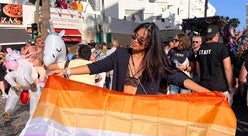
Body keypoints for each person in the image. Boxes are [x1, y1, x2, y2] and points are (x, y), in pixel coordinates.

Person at [51, 22, 210, 95]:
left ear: (150, 43)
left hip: (143, 116)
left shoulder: (156, 62)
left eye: (141, 39)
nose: (135, 40)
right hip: (119, 112)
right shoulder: (121, 54)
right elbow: (96, 67)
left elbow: (177, 77)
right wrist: (67, 71)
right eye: (135, 36)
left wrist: (207, 93)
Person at [196, 24, 234, 105]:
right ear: (217, 34)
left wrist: (202, 79)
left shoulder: (201, 49)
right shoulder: (222, 48)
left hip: (204, 88)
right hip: (220, 88)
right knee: (223, 115)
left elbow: (198, 68)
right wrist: (230, 86)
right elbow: (228, 68)